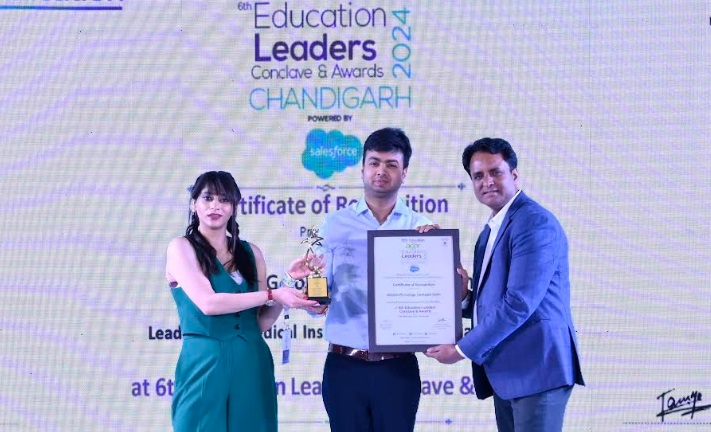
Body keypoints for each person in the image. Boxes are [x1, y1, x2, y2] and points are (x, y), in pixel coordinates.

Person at [425, 138, 584, 432]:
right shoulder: (491, 230)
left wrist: (460, 350)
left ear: (514, 174)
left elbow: (519, 303)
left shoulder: (533, 222)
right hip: (508, 371)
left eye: (495, 172)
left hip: (537, 368)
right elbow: (494, 300)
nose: (487, 182)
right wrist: (463, 297)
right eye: (478, 176)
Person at [301, 127, 435, 432]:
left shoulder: (423, 228)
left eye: (391, 165)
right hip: (344, 366)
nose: (381, 171)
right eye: (374, 162)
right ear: (362, 169)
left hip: (398, 368)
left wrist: (437, 251)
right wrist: (313, 297)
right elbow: (316, 295)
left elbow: (434, 298)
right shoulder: (333, 225)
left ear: (404, 173)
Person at [165, 171, 318, 432]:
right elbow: (209, 303)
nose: (215, 206)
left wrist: (289, 283)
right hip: (204, 360)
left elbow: (260, 323)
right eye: (208, 198)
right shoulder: (182, 247)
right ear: (193, 204)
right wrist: (272, 294)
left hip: (251, 359)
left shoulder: (251, 252)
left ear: (234, 207)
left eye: (224, 200)